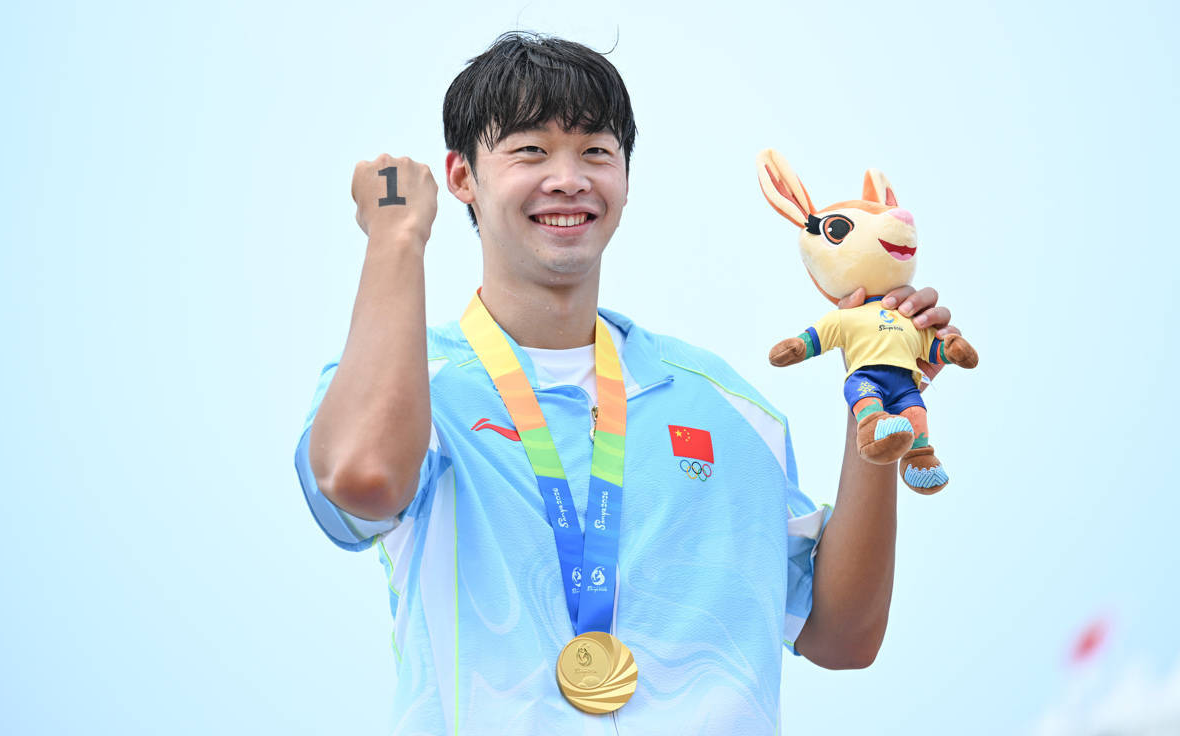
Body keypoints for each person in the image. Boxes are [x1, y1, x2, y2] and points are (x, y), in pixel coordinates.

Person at [294, 31, 961, 735]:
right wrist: (396, 237)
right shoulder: (405, 380)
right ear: (462, 177)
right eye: (530, 150)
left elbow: (843, 636)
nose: (568, 178)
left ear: (626, 179)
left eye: (595, 151)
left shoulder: (727, 407)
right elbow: (365, 479)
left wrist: (875, 400)